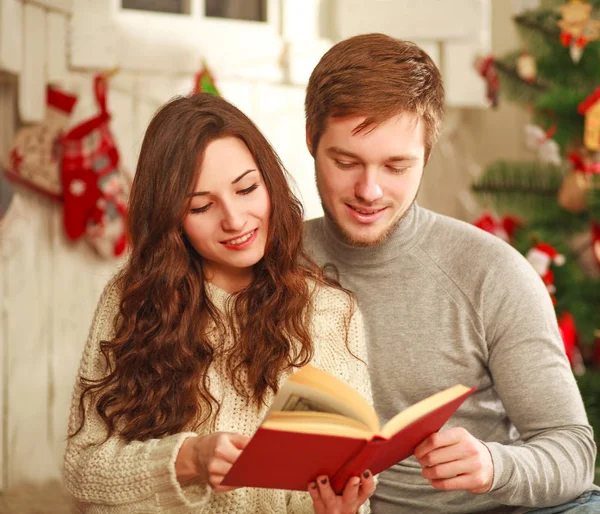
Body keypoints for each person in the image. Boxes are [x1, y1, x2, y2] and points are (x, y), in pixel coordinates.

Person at [303, 33, 600, 514]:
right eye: (345, 162)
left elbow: (572, 451)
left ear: (426, 153)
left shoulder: (491, 272)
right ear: (312, 141)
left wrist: (494, 465)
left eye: (397, 166)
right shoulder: (271, 262)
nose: (369, 190)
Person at [63, 93, 376, 514]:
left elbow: (338, 482)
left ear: (270, 183)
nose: (234, 218)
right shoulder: (132, 299)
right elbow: (83, 471)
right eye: (202, 206)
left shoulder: (330, 312)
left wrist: (337, 509)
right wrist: (189, 459)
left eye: (247, 188)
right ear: (171, 218)